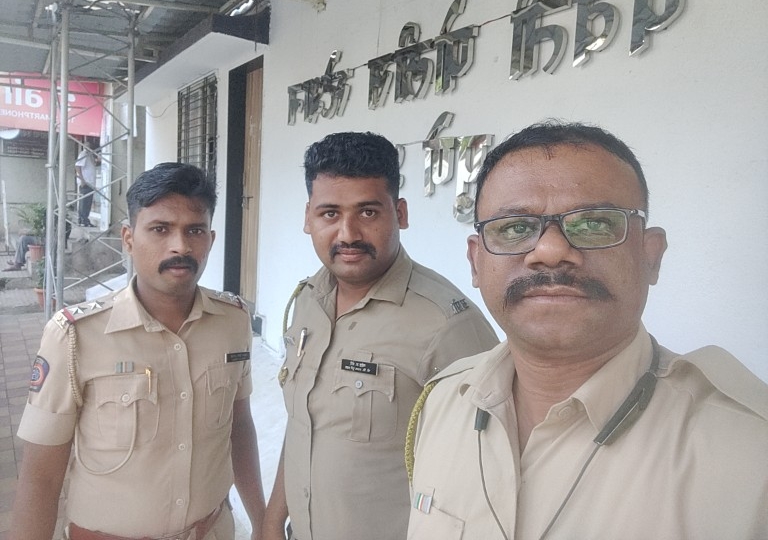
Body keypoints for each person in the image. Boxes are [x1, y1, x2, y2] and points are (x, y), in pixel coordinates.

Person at [406, 120, 768, 540]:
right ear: (475, 262)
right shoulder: (441, 403)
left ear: (651, 256)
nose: (550, 251)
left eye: (594, 223)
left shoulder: (749, 453)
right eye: (515, 228)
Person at [261, 132, 498, 540]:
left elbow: (488, 471)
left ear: (400, 213)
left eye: (368, 212)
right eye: (329, 214)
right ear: (308, 218)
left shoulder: (446, 324)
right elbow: (304, 425)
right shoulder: (308, 300)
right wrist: (271, 520)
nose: (348, 234)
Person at [10, 162, 266, 540]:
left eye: (194, 230)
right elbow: (41, 477)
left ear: (210, 239)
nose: (180, 246)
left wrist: (262, 522)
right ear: (128, 239)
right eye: (160, 229)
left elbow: (239, 427)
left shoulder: (233, 321)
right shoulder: (76, 336)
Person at [75, 138, 101, 227]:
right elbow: (78, 166)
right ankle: (83, 220)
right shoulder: (83, 154)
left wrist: (98, 160)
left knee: (88, 202)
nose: (89, 147)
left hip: (90, 182)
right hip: (86, 182)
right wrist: (82, 180)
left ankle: (84, 219)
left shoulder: (90, 155)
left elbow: (93, 165)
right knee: (84, 202)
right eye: (88, 145)